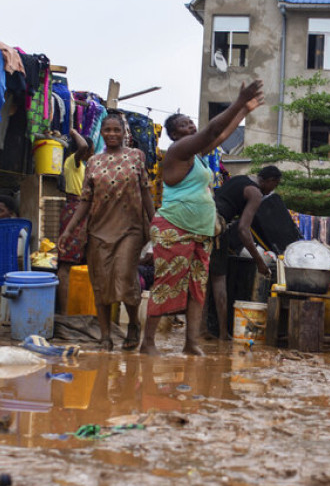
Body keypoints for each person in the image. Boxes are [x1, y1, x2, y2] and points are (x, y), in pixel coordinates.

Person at [140, 79, 265, 356]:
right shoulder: (178, 152)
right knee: (167, 284)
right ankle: (147, 342)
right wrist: (237, 101)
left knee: (198, 288)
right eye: (184, 125)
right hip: (175, 227)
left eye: (191, 123)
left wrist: (244, 110)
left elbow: (219, 137)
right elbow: (213, 129)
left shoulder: (195, 157)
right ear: (173, 135)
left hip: (201, 230)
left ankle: (191, 342)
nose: (191, 127)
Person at [58, 114, 154, 351]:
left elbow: (146, 194)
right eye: (107, 130)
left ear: (124, 133)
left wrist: (155, 225)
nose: (112, 134)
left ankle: (133, 324)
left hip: (130, 228)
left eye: (116, 130)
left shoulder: (136, 157)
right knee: (100, 283)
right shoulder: (93, 162)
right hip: (99, 229)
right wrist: (69, 231)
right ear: (101, 133)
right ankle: (105, 336)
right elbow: (85, 201)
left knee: (124, 276)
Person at [208, 165, 282, 339]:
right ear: (270, 181)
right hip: (216, 226)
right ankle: (222, 333)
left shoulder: (239, 179)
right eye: (275, 185)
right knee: (219, 280)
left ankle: (202, 329)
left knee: (202, 279)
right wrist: (259, 261)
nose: (273, 190)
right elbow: (243, 230)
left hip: (202, 219)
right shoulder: (255, 193)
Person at [55, 129, 93, 313]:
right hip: (74, 210)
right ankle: (64, 312)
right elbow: (83, 145)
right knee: (67, 264)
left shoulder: (82, 165)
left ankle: (77, 309)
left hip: (81, 210)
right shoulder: (74, 162)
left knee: (79, 262)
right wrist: (72, 131)